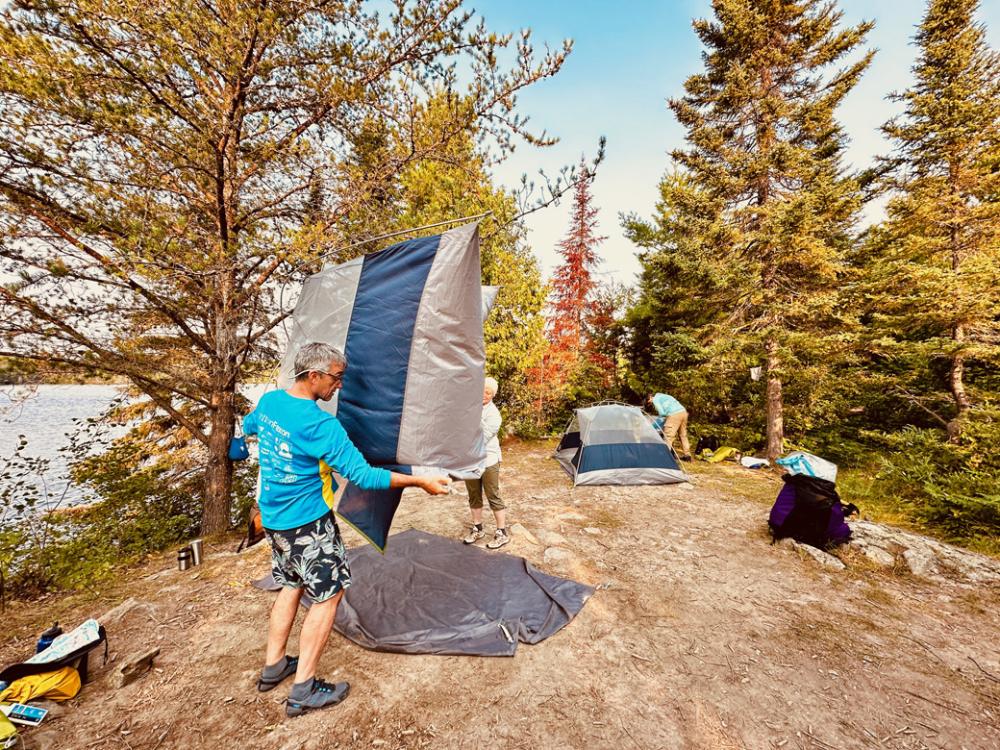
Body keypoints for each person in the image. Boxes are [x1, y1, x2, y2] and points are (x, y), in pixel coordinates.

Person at [244, 342, 449, 718]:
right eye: (336, 377)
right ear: (314, 375)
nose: (339, 385)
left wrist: (246, 446)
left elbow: (248, 426)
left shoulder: (271, 402)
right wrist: (420, 483)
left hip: (273, 520)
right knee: (327, 596)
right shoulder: (321, 425)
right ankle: (303, 688)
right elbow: (364, 476)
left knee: (292, 584)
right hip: (307, 524)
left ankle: (274, 666)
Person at [462, 376, 508, 549]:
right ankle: (477, 528)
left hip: (488, 459)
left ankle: (501, 532)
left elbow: (481, 437)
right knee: (474, 495)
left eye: (488, 392)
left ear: (493, 395)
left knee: (493, 496)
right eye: (482, 390)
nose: (484, 394)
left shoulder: (494, 415)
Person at [648, 392, 692, 461]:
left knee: (668, 436)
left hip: (674, 415)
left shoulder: (655, 399)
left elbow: (662, 413)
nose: (650, 403)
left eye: (649, 402)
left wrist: (653, 426)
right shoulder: (664, 396)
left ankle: (664, 457)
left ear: (650, 397)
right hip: (683, 412)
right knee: (683, 435)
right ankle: (687, 456)